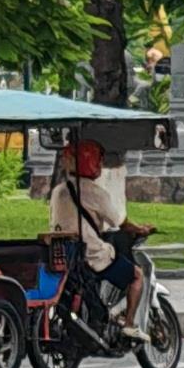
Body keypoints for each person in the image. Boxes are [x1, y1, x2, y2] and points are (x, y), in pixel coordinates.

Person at [47, 135, 147, 325]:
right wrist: (141, 229)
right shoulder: (94, 192)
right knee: (137, 275)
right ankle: (129, 324)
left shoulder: (58, 191)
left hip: (62, 253)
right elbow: (121, 222)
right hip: (89, 255)